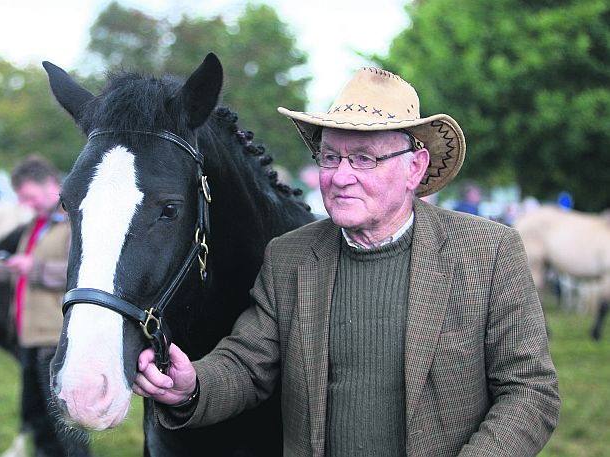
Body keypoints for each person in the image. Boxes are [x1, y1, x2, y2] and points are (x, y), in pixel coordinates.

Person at [134, 67, 560, 456]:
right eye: (331, 157)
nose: (340, 176)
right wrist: (193, 386)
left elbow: (530, 390)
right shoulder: (290, 256)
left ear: (415, 168)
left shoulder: (489, 251)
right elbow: (248, 364)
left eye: (364, 158)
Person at [0, 155, 90, 457]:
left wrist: (35, 267)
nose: (26, 204)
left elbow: (80, 274)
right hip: (30, 339)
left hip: (55, 341)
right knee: (39, 422)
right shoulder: (37, 225)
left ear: (51, 186)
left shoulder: (74, 224)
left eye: (29, 197)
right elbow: (22, 269)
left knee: (66, 428)